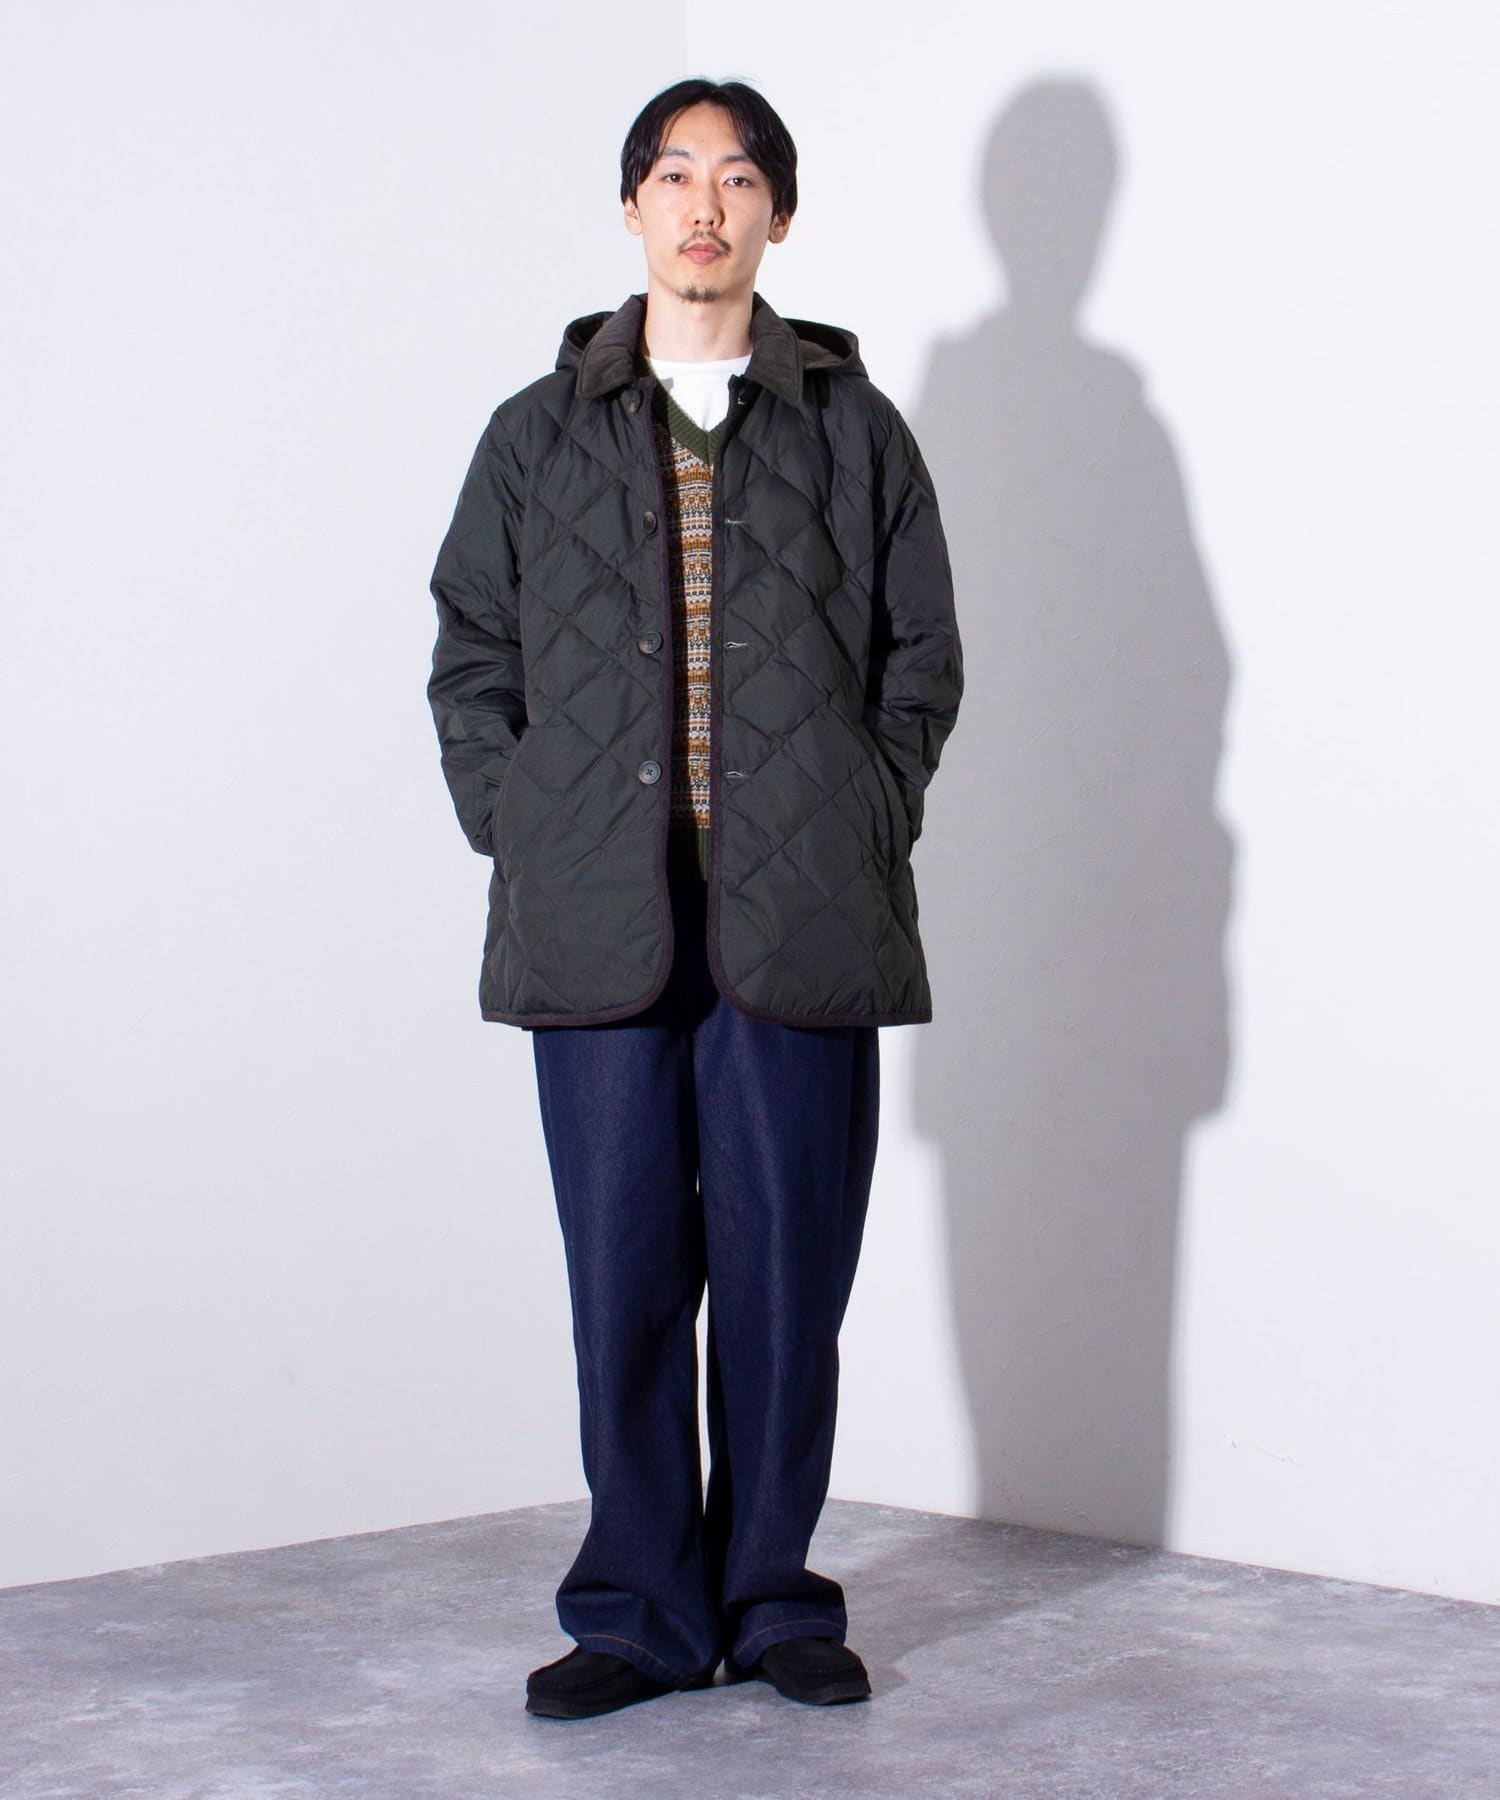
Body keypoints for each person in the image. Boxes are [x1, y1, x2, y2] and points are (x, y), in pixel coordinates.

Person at [426, 76, 963, 1720]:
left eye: (736, 178)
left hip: (802, 925)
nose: (704, 205)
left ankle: (775, 1598)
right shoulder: (535, 435)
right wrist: (520, 824)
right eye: (674, 175)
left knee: (790, 1288)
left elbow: (922, 661)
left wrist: (865, 812)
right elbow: (472, 655)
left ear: (778, 214)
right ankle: (644, 1612)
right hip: (598, 922)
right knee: (627, 1282)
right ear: (633, 208)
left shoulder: (856, 431)